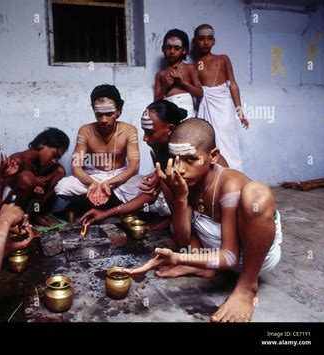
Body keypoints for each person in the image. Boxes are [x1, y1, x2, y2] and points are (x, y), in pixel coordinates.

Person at [125, 119, 282, 322]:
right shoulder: (179, 180)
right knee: (169, 184)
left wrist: (178, 258)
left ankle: (247, 286)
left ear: (213, 156)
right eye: (175, 158)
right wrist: (181, 199)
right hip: (214, 255)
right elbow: (182, 240)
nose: (180, 168)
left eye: (191, 159)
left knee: (256, 195)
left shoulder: (229, 184)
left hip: (250, 258)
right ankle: (204, 267)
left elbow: (231, 257)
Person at [80, 100, 228, 231]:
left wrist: (173, 221)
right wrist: (106, 213)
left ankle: (173, 220)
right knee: (139, 183)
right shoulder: (160, 149)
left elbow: (205, 196)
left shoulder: (194, 147)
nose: (144, 138)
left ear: (170, 129)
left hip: (210, 213)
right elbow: (149, 194)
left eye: (150, 132)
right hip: (186, 208)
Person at [55, 84, 142, 212]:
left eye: (109, 114)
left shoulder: (129, 130)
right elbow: (76, 166)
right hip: (94, 176)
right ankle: (103, 201)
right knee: (62, 187)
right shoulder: (85, 130)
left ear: (119, 111)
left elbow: (134, 167)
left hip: (120, 178)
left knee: (144, 187)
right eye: (99, 114)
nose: (104, 120)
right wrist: (93, 183)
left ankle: (108, 206)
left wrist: (108, 183)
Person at [192, 24, 249, 171]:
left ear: (214, 41)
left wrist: (239, 110)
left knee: (227, 138)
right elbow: (197, 91)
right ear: (195, 41)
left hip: (223, 105)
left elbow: (233, 85)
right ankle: (216, 179)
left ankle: (235, 175)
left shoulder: (223, 59)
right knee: (208, 140)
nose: (206, 42)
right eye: (201, 39)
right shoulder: (195, 65)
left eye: (209, 38)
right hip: (205, 105)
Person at [6, 128, 69, 226]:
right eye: (54, 155)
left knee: (59, 171)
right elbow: (6, 187)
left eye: (57, 158)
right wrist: (33, 183)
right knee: (27, 178)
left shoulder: (38, 163)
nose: (54, 161)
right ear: (41, 144)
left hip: (29, 204)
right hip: (9, 207)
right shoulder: (18, 160)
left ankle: (33, 215)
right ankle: (19, 220)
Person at [154, 29, 203, 118]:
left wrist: (184, 83)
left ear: (184, 50)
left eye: (177, 48)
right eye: (169, 47)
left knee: (186, 131)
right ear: (163, 49)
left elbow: (200, 93)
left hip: (186, 107)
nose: (172, 51)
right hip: (168, 108)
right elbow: (156, 101)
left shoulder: (189, 68)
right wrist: (165, 86)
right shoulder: (160, 74)